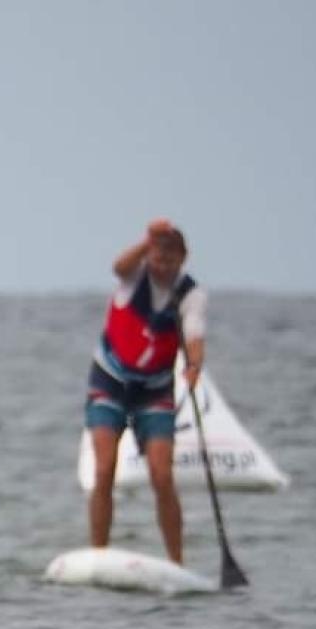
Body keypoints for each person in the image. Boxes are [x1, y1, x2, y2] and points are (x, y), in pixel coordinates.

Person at [84, 218, 207, 564]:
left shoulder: (191, 294)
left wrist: (194, 366)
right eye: (157, 257)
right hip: (109, 382)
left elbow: (194, 336)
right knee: (104, 470)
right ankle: (99, 555)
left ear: (183, 258)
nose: (162, 266)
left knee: (162, 475)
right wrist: (147, 240)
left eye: (170, 259)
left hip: (154, 391)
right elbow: (118, 266)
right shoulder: (132, 276)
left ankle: (176, 562)